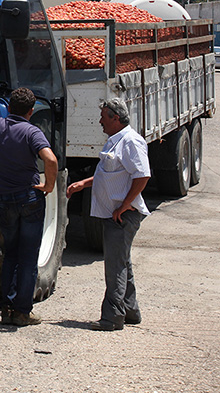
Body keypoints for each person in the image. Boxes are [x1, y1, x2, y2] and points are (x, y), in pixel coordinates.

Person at [0, 84, 58, 327]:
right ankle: (23, 312)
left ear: (9, 108)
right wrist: (49, 185)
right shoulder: (32, 132)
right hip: (29, 200)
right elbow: (51, 159)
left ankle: (6, 308)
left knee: (10, 255)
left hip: (4, 201)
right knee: (28, 259)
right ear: (31, 110)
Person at [67, 98, 150, 331]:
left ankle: (112, 317)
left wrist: (125, 205)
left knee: (115, 267)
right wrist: (83, 183)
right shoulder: (114, 141)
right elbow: (110, 175)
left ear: (115, 118)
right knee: (122, 262)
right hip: (115, 214)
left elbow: (142, 176)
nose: (100, 121)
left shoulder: (131, 142)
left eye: (104, 116)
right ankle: (130, 310)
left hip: (123, 216)